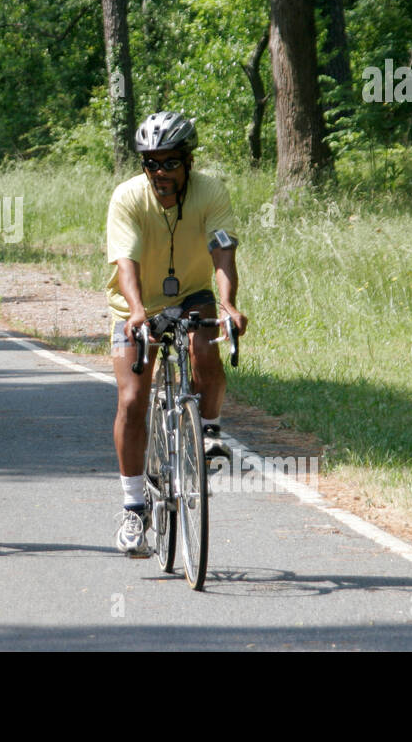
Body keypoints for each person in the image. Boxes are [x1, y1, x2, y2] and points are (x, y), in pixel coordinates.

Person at [105, 112, 248, 558]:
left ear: (188, 160)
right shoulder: (128, 197)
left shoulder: (211, 192)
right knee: (132, 400)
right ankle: (133, 507)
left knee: (205, 344)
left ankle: (207, 430)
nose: (160, 174)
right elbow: (124, 262)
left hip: (193, 293)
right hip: (135, 305)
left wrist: (228, 305)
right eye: (151, 164)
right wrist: (135, 311)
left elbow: (222, 253)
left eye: (170, 163)